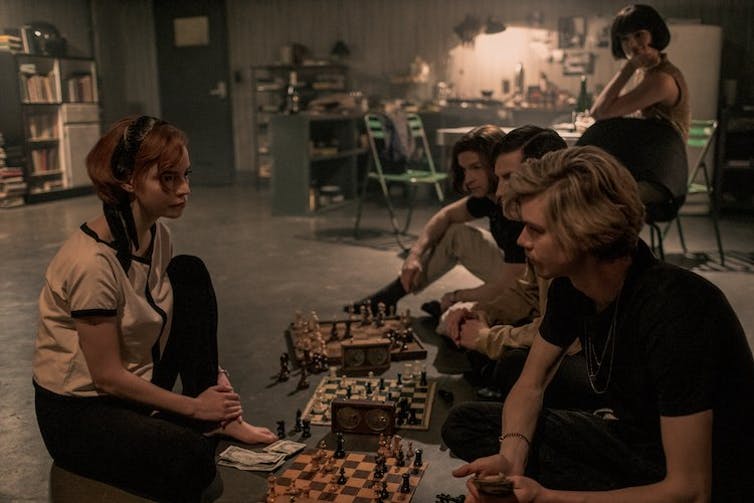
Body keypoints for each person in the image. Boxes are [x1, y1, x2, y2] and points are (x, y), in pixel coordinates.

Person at [445, 146, 754, 502]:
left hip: (710, 480)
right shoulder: (572, 285)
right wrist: (510, 459)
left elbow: (690, 489)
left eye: (535, 230)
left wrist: (547, 498)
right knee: (467, 423)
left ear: (584, 233)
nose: (521, 240)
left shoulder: (679, 310)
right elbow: (531, 384)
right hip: (635, 440)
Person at [33, 116, 277, 502]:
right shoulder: (90, 263)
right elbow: (108, 378)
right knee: (194, 460)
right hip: (79, 412)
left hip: (134, 382)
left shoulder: (157, 234)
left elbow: (161, 321)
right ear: (127, 179)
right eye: (168, 178)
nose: (185, 189)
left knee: (189, 272)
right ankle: (200, 419)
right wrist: (194, 410)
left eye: (185, 175)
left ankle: (221, 420)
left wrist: (212, 379)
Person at [442, 127, 599, 410]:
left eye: (508, 178)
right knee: (478, 338)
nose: (499, 190)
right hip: (554, 334)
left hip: (590, 359)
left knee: (510, 364)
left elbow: (562, 331)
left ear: (546, 172)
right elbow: (527, 291)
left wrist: (488, 338)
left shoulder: (572, 232)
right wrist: (484, 312)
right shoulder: (539, 221)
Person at [350, 125, 529, 325]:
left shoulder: (516, 207)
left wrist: (457, 295)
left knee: (457, 325)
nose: (468, 179)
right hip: (510, 273)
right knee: (455, 232)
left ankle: (451, 309)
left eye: (476, 167)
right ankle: (395, 293)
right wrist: (414, 256)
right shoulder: (489, 195)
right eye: (464, 169)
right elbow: (446, 215)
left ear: (496, 163)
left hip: (527, 289)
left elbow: (510, 284)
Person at [590, 4, 690, 141]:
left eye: (638, 35)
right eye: (625, 39)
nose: (632, 45)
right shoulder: (648, 71)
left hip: (664, 159)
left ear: (654, 34)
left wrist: (630, 67)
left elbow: (599, 113)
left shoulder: (661, 79)